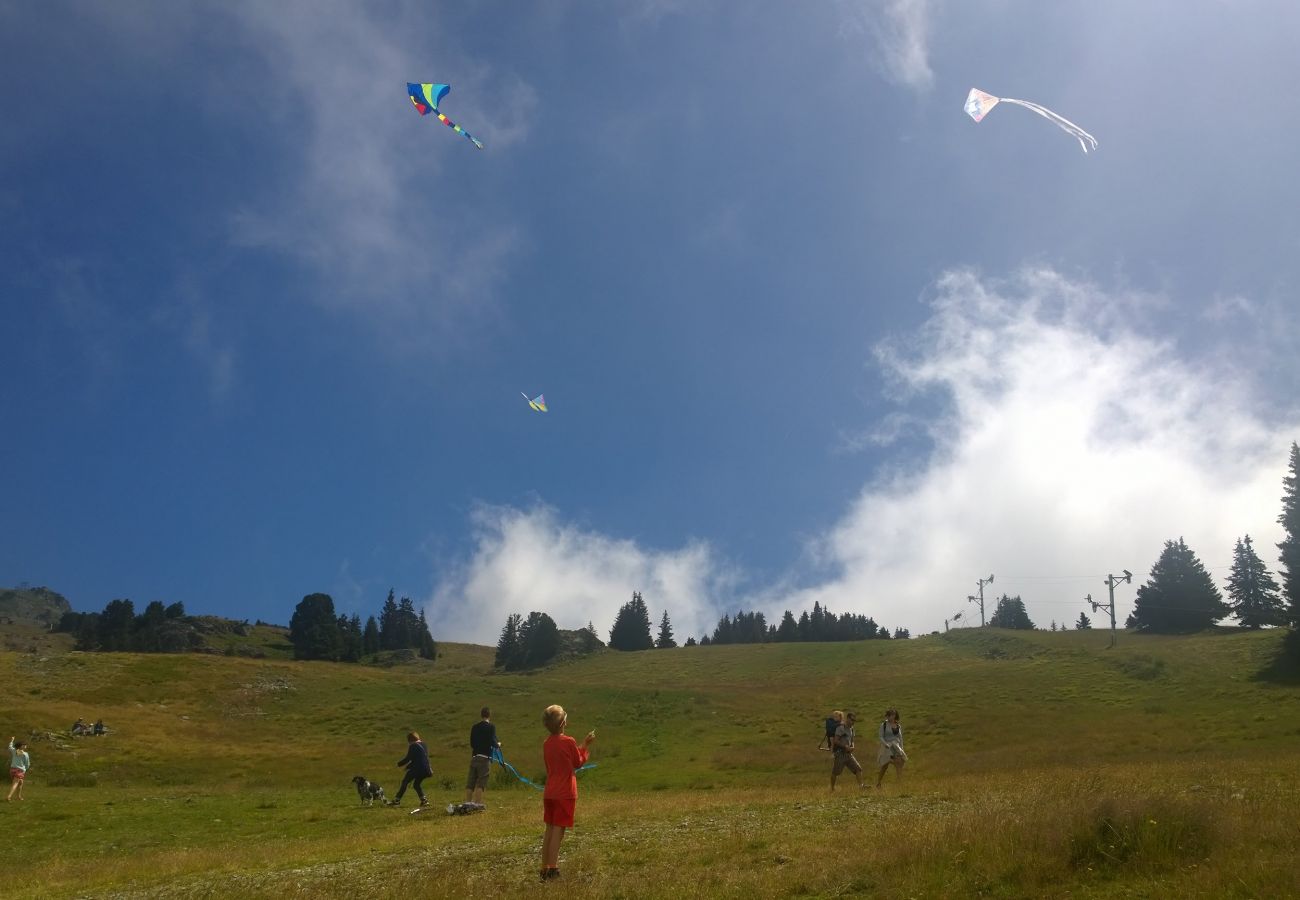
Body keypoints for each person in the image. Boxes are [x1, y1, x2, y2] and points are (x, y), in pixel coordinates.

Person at [540, 704, 594, 881]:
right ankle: (553, 870)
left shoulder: (546, 744)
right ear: (563, 722)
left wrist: (581, 745)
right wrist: (585, 746)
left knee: (549, 829)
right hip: (565, 793)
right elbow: (578, 762)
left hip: (549, 792)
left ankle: (544, 868)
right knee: (558, 831)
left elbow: (554, 765)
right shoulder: (569, 741)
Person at [466, 706, 501, 806]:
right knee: (481, 782)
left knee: (471, 781)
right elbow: (493, 742)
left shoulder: (474, 727)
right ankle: (477, 804)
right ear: (489, 715)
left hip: (474, 757)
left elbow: (472, 743)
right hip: (484, 758)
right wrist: (498, 745)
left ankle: (467, 803)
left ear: (481, 715)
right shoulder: (491, 727)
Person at [390, 731, 432, 807]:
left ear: (410, 740)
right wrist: (408, 767)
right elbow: (419, 759)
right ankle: (424, 801)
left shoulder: (413, 746)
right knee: (416, 785)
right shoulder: (423, 744)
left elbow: (408, 758)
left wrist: (398, 764)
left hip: (417, 769)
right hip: (426, 770)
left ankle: (397, 801)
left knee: (405, 782)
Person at [830, 711, 864, 791]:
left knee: (858, 769)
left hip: (848, 754)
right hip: (840, 754)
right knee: (835, 772)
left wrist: (852, 747)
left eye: (854, 721)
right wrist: (845, 746)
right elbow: (836, 740)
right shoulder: (840, 728)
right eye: (852, 720)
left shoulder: (852, 729)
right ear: (847, 719)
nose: (853, 722)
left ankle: (861, 786)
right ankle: (832, 788)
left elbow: (852, 741)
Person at [876, 708, 906, 788]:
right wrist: (885, 743)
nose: (891, 717)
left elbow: (900, 738)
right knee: (884, 766)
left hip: (896, 747)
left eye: (893, 715)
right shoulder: (884, 725)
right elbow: (881, 736)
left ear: (895, 716)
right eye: (890, 715)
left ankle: (899, 783)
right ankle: (878, 783)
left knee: (899, 763)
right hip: (887, 748)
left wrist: (902, 749)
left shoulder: (898, 725)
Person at [8, 737, 30, 801]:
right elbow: (27, 763)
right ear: (21, 746)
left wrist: (12, 740)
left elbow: (10, 747)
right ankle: (9, 796)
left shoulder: (14, 751)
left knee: (20, 783)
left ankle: (18, 796)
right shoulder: (25, 754)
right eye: (24, 745)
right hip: (19, 770)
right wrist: (25, 769)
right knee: (15, 783)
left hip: (12, 770)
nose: (25, 745)